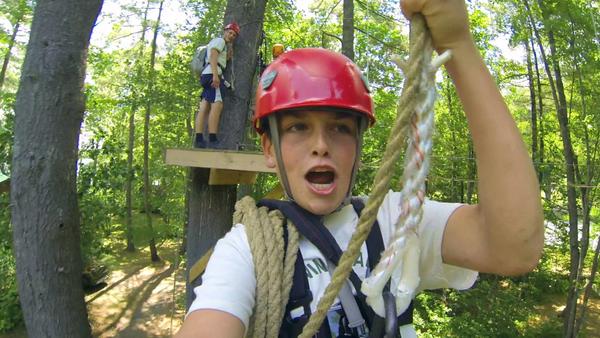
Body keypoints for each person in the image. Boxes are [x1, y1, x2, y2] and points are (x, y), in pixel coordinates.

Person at [176, 0, 544, 337]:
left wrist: (459, 45)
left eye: (339, 128)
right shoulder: (245, 252)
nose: (321, 145)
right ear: (269, 148)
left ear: (359, 147)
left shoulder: (393, 222)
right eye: (298, 128)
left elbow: (514, 247)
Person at [194, 22, 240, 148]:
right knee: (217, 105)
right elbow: (213, 56)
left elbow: (219, 58)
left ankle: (199, 139)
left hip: (206, 74)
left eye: (234, 35)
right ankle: (213, 139)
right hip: (213, 74)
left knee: (204, 106)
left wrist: (228, 55)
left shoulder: (222, 45)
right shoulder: (219, 41)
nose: (231, 36)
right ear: (225, 31)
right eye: (230, 32)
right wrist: (215, 75)